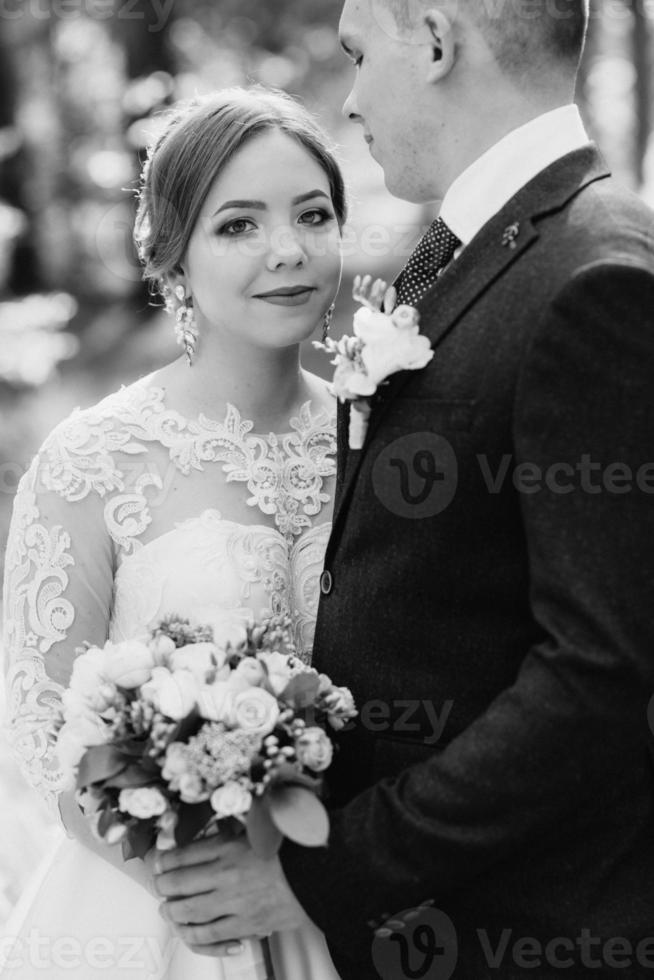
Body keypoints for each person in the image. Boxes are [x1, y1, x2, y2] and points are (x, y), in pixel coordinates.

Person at [152, 2, 654, 977]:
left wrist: (331, 866)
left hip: (535, 930)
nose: (350, 99)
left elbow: (594, 675)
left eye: (357, 53)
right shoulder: (489, 250)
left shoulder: (594, 273)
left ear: (432, 38)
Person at [1, 85, 345, 979]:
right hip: (146, 920)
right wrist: (185, 882)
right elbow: (44, 735)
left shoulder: (382, 442)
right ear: (173, 258)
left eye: (313, 215)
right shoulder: (90, 464)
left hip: (347, 902)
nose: (287, 251)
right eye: (239, 225)